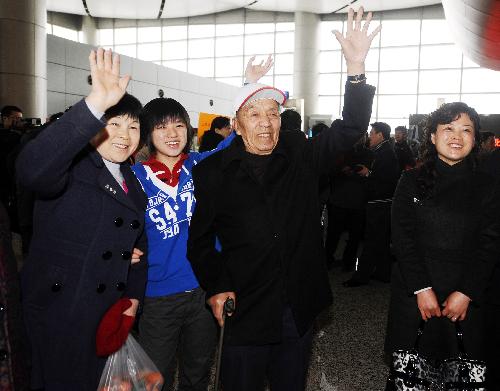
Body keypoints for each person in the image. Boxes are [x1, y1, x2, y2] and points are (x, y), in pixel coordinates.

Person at [187, 7, 379, 390]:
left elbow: (350, 129)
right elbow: (201, 241)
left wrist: (355, 68)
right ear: (237, 125)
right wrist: (217, 286)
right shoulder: (213, 172)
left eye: (273, 113)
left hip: (297, 302)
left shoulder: (298, 155)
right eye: (254, 114)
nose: (266, 122)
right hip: (244, 304)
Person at [132, 57, 270, 391]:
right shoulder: (135, 178)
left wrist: (248, 87)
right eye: (162, 127)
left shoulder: (202, 165)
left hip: (205, 290)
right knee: (156, 377)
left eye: (179, 125)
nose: (172, 134)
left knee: (197, 372)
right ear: (149, 133)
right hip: (158, 295)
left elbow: (234, 140)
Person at [16, 48, 148, 390]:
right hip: (60, 312)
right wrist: (94, 103)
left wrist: (133, 300)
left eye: (133, 126)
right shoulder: (71, 166)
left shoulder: (131, 180)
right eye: (113, 123)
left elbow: (139, 251)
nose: (123, 134)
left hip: (106, 314)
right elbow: (31, 170)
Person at [385, 102, 500, 369]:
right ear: (433, 136)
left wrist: (467, 292)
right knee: (411, 376)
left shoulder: (487, 185)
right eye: (448, 128)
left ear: (475, 138)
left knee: (460, 374)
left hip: (465, 298)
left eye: (466, 130)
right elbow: (403, 239)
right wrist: (421, 288)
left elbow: (490, 243)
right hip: (416, 294)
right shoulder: (411, 180)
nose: (457, 137)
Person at [343, 122, 400, 286]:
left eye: (372, 133)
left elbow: (387, 179)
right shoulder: (383, 151)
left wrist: (368, 173)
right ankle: (383, 273)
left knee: (372, 240)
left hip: (380, 203)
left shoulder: (386, 153)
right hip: (382, 202)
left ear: (380, 135)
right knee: (381, 240)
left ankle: (360, 277)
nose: (369, 137)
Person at [325, 133, 373, 271]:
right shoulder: (343, 152)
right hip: (344, 200)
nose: (360, 139)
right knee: (341, 234)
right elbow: (331, 171)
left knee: (348, 235)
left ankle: (342, 262)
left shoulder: (345, 151)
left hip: (351, 200)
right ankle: (335, 261)